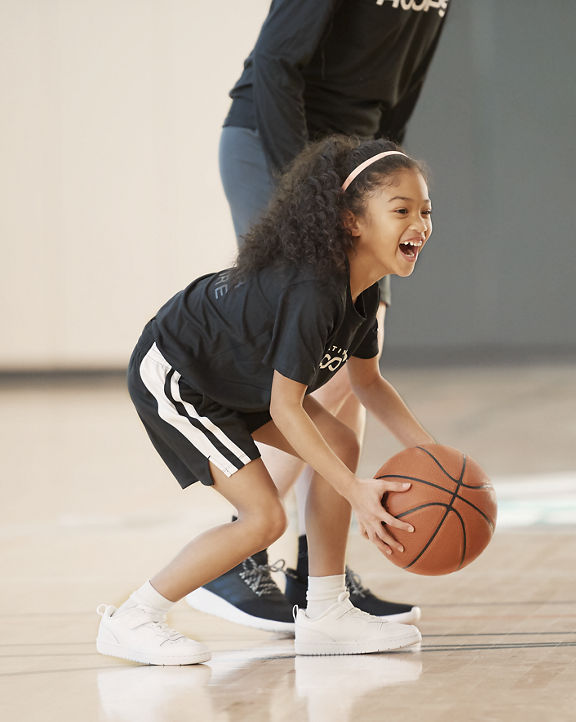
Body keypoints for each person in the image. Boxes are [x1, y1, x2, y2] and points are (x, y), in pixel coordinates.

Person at [96, 135, 435, 665]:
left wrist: (434, 455)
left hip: (238, 376)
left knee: (342, 439)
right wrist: (357, 494)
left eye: (424, 211)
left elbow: (369, 384)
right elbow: (286, 407)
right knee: (262, 520)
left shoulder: (362, 292)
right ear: (351, 221)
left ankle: (325, 611)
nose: (419, 224)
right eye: (401, 210)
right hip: (180, 374)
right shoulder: (312, 291)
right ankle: (131, 618)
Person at [197, 0, 451, 631]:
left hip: (354, 162)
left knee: (359, 355)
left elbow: (404, 86)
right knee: (325, 374)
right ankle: (241, 550)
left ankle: (323, 576)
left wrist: (382, 169)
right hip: (281, 148)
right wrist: (305, 185)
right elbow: (279, 61)